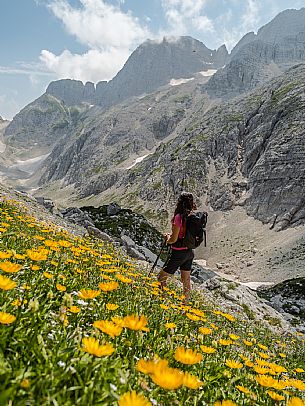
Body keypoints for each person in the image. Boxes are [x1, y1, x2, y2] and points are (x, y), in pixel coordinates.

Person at [158, 191, 197, 303]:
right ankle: (185, 306)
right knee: (186, 281)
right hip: (189, 252)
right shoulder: (192, 216)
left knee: (161, 278)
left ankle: (162, 302)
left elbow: (174, 239)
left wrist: (167, 238)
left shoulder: (179, 217)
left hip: (178, 253)